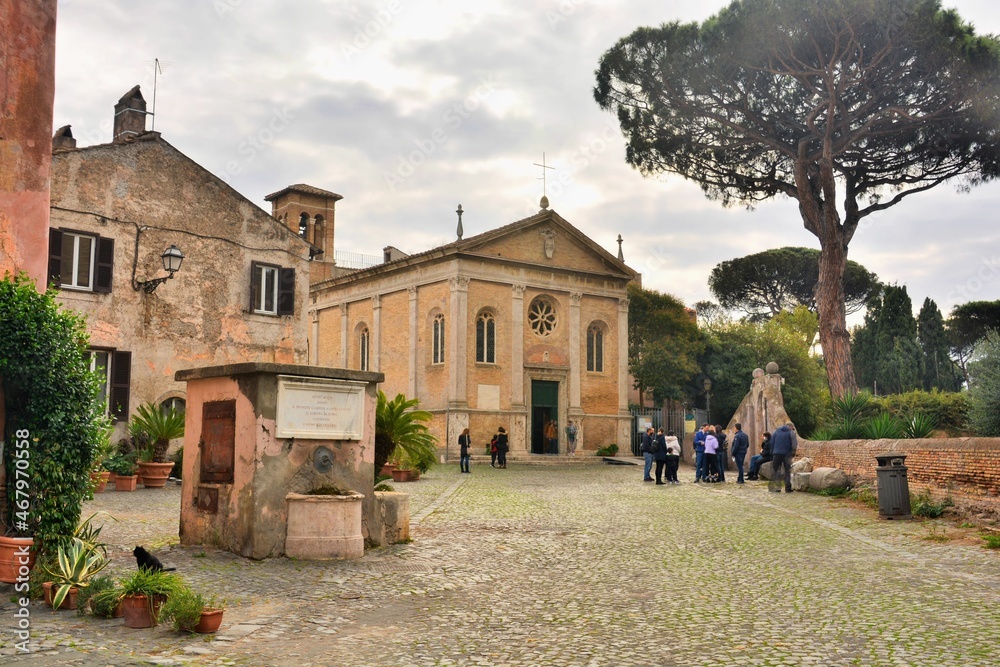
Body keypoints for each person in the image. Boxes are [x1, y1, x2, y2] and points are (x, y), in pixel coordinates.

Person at [768, 422, 797, 493]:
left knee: (776, 470)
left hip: (776, 454)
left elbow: (772, 443)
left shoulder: (776, 432)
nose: (793, 430)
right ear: (790, 427)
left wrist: (772, 452)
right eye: (792, 428)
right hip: (787, 454)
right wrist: (793, 453)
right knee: (787, 471)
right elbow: (794, 445)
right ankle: (788, 488)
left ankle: (777, 487)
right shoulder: (791, 433)